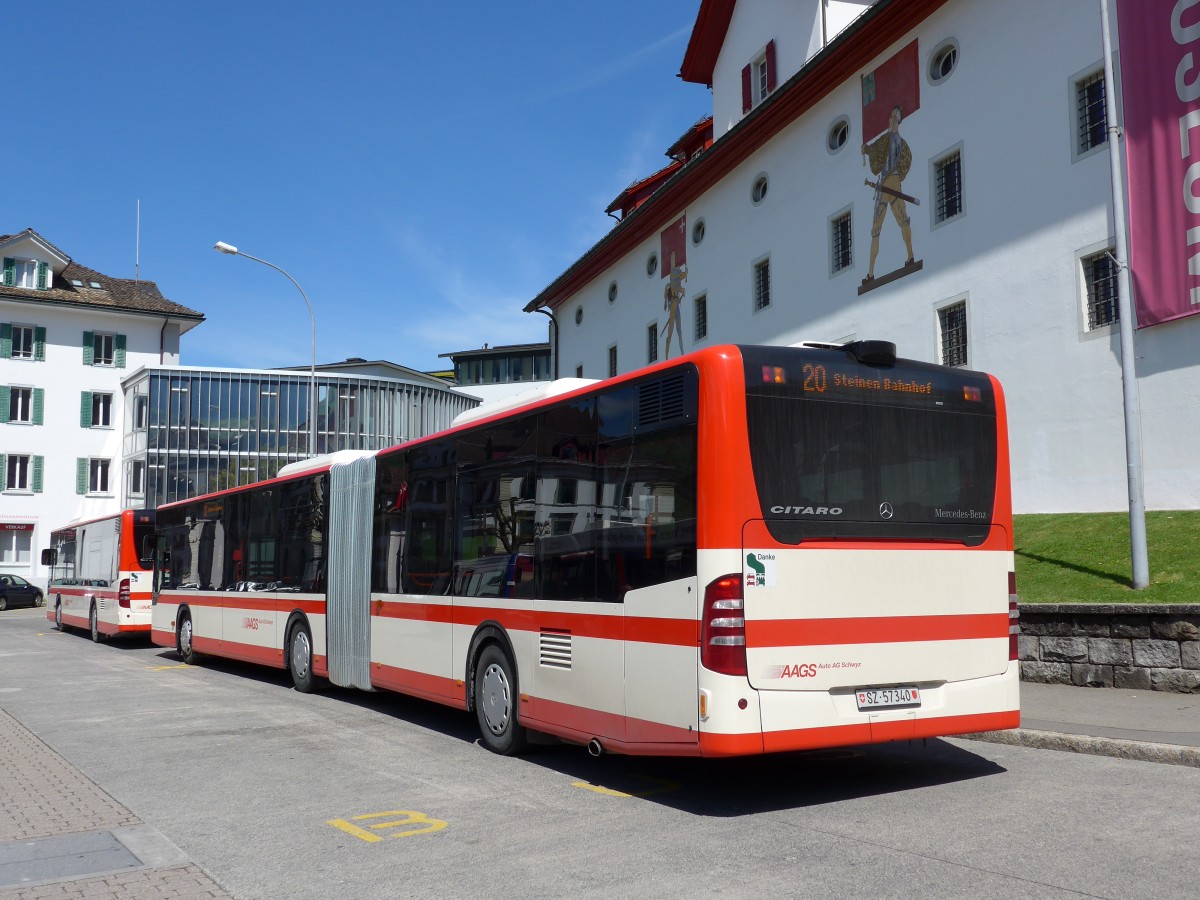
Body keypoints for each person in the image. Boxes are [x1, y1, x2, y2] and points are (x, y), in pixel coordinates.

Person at [862, 104, 915, 281]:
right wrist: (867, 149)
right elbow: (877, 150)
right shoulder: (898, 142)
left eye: (893, 117)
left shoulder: (891, 140)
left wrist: (867, 149)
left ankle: (871, 273)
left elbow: (875, 149)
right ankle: (909, 257)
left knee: (878, 227)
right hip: (891, 182)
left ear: (898, 120)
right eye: (890, 116)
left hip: (888, 181)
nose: (890, 120)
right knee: (901, 221)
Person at [662, 253, 687, 359]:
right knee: (671, 330)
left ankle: (682, 354)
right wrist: (673, 254)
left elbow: (684, 275)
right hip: (673, 305)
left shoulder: (678, 278)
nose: (678, 267)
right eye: (678, 267)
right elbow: (672, 260)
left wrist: (683, 291)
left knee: (679, 330)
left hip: (676, 304)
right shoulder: (673, 276)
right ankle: (667, 357)